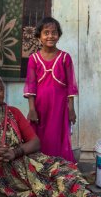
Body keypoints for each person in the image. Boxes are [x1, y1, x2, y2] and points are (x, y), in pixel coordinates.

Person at [23, 17, 78, 161]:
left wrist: (71, 109)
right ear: (39, 36)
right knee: (40, 136)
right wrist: (32, 109)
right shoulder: (34, 59)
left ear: (58, 35)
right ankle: (41, 168)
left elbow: (70, 87)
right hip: (40, 107)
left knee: (56, 136)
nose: (50, 36)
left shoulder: (65, 57)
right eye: (46, 33)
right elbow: (31, 85)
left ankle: (58, 169)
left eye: (54, 32)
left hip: (59, 107)